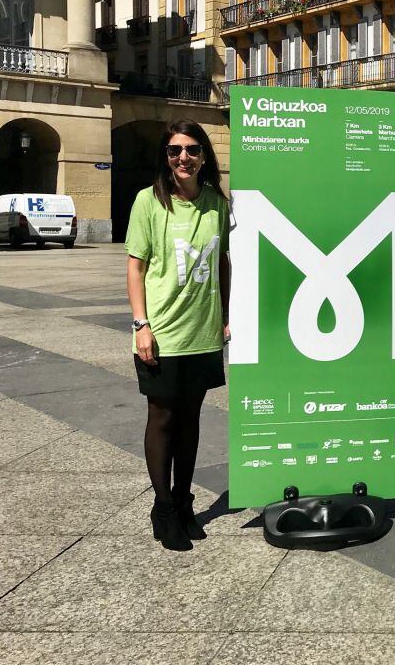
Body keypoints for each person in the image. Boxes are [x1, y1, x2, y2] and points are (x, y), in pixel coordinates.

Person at [126, 119, 229, 552]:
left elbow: (223, 260)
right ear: (165, 158)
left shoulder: (216, 203)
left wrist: (226, 311)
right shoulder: (148, 202)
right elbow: (136, 266)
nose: (182, 158)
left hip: (203, 334)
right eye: (174, 151)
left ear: (204, 155)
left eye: (190, 150)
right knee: (163, 417)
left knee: (190, 421)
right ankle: (163, 507)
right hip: (162, 332)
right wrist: (140, 324)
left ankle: (185, 502)